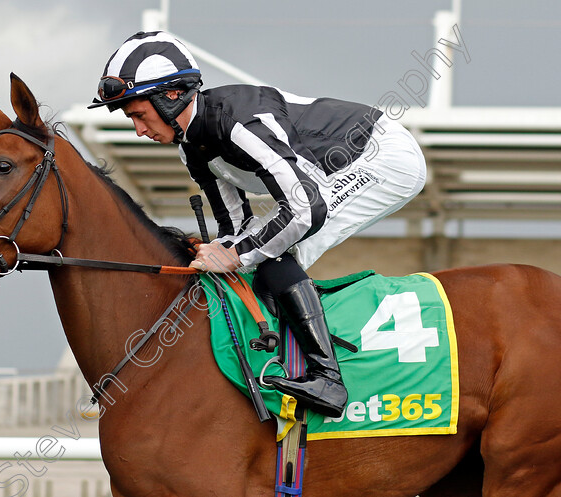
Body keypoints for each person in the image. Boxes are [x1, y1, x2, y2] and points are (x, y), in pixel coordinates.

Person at [88, 31, 427, 418]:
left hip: (381, 158)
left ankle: (328, 379)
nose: (139, 130)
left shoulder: (237, 121)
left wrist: (236, 255)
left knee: (279, 247)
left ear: (169, 96)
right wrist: (224, 248)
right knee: (259, 248)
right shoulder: (191, 146)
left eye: (138, 115)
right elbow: (236, 222)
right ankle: (274, 352)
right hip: (323, 176)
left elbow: (305, 208)